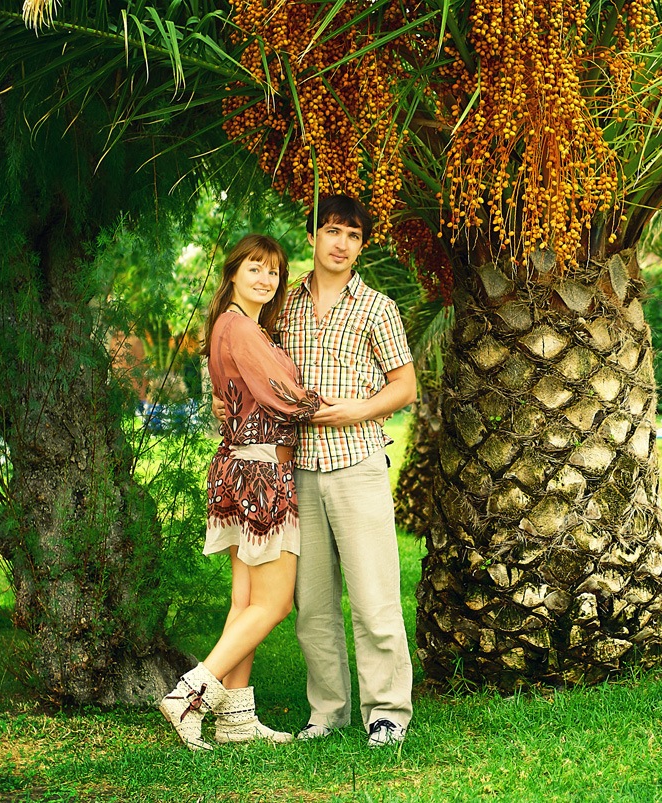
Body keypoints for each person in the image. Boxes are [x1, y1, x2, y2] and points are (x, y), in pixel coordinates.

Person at [218, 195, 417, 747]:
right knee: (312, 607)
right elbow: (248, 361)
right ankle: (327, 713)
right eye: (332, 231)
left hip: (357, 463)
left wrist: (356, 410)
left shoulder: (378, 308)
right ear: (313, 236)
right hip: (296, 471)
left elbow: (404, 386)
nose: (341, 244)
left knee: (375, 599)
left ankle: (387, 714)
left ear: (361, 246)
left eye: (353, 236)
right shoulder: (282, 304)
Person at [160, 234, 324, 752]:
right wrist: (346, 406)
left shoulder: (229, 326)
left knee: (245, 602)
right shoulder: (243, 330)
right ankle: (188, 697)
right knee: (272, 604)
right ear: (233, 273)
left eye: (274, 271)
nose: (266, 279)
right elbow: (286, 398)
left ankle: (236, 721)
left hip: (237, 466)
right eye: (255, 268)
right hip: (261, 474)